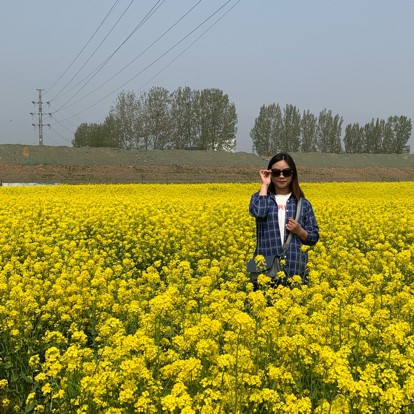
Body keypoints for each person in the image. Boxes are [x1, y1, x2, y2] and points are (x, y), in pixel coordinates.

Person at [249, 153, 319, 286]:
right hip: (265, 271)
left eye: (286, 172)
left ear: (293, 174)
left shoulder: (303, 204)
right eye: (276, 173)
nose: (281, 176)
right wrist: (264, 185)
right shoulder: (259, 198)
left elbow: (313, 238)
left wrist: (299, 231)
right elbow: (259, 212)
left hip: (294, 270)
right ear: (270, 174)